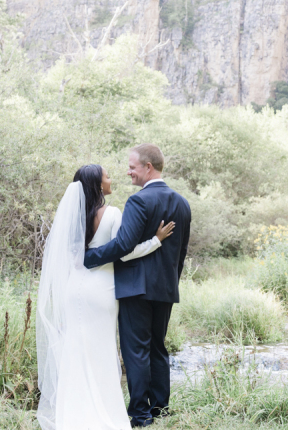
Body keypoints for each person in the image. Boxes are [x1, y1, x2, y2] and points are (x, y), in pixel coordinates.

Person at [36, 163, 176, 430]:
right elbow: (124, 251)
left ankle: (73, 413)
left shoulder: (73, 216)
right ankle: (104, 413)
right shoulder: (111, 213)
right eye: (107, 177)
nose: (112, 180)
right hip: (101, 289)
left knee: (75, 347)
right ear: (99, 185)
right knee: (101, 348)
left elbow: (70, 260)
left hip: (73, 289)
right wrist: (155, 241)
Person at [84, 144, 192, 427]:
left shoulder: (138, 201)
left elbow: (122, 245)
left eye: (132, 166)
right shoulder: (182, 203)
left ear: (148, 167)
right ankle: (160, 410)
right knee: (158, 347)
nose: (128, 171)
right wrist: (170, 282)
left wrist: (89, 257)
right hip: (166, 289)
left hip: (135, 288)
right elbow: (180, 254)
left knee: (136, 350)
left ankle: (140, 415)